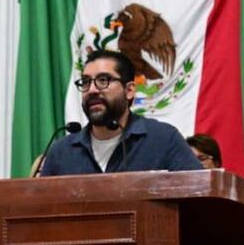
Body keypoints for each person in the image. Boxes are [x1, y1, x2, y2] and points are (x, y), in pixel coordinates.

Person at [39, 50, 203, 176]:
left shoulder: (163, 140)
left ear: (129, 90)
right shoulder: (61, 152)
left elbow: (200, 200)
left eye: (103, 80)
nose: (92, 90)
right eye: (86, 82)